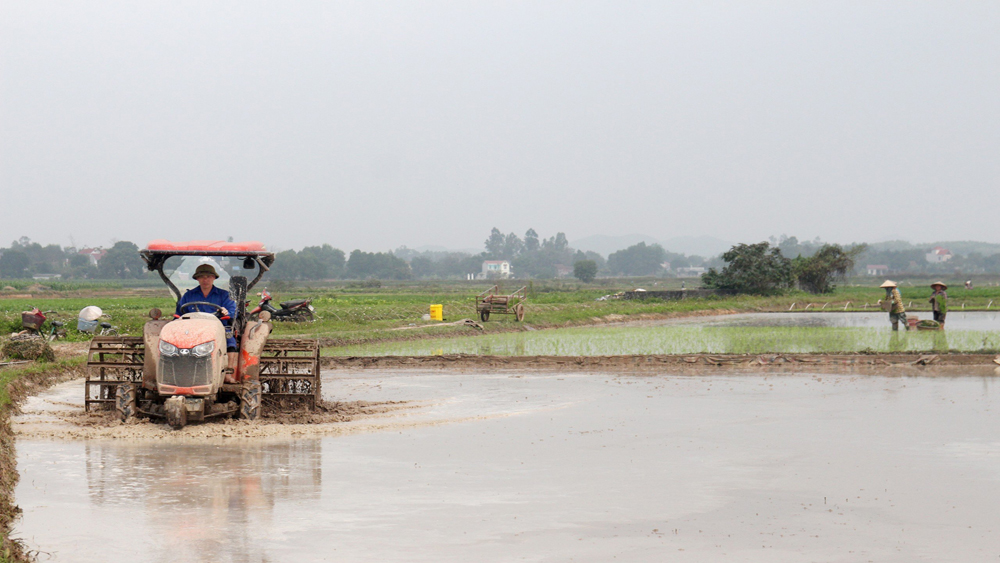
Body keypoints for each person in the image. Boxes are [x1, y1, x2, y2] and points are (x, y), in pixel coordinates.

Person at [175, 264, 238, 381]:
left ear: (214, 278)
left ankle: (228, 373)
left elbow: (232, 312)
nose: (205, 280)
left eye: (208, 276)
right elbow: (178, 313)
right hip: (192, 328)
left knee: (230, 340)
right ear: (197, 279)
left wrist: (226, 312)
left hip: (218, 328)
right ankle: (180, 372)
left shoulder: (224, 295)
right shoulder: (189, 295)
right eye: (202, 277)